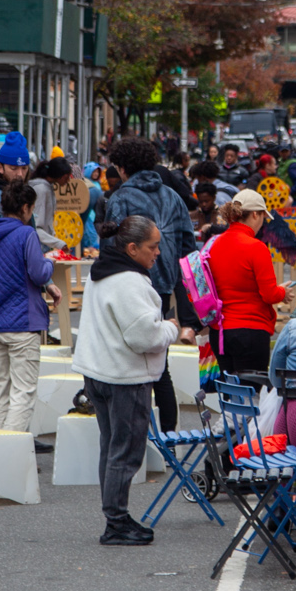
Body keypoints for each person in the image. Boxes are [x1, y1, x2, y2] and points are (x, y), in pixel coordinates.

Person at [72, 214, 181, 545]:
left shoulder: (103, 271)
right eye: (153, 246)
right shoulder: (129, 282)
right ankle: (116, 522)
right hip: (125, 376)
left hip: (99, 372)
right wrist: (173, 328)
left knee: (111, 447)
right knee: (126, 451)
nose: (158, 252)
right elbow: (143, 336)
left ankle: (113, 515)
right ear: (132, 248)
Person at [105, 135, 199, 429]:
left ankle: (135, 439)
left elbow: (111, 248)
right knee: (161, 368)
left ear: (122, 169)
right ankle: (169, 439)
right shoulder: (172, 196)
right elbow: (188, 251)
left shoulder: (121, 198)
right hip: (164, 289)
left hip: (129, 286)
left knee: (131, 368)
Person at [0, 181, 57, 438]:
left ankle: (2, 450)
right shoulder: (26, 235)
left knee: (1, 388)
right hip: (22, 322)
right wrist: (49, 263)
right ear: (25, 208)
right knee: (23, 392)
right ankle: (9, 452)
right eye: (32, 209)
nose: (32, 214)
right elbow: (37, 272)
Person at [204, 189, 287, 376]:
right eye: (262, 217)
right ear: (255, 214)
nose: (262, 223)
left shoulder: (213, 243)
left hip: (220, 332)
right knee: (252, 395)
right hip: (251, 331)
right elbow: (270, 294)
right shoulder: (256, 247)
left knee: (230, 394)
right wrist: (283, 292)